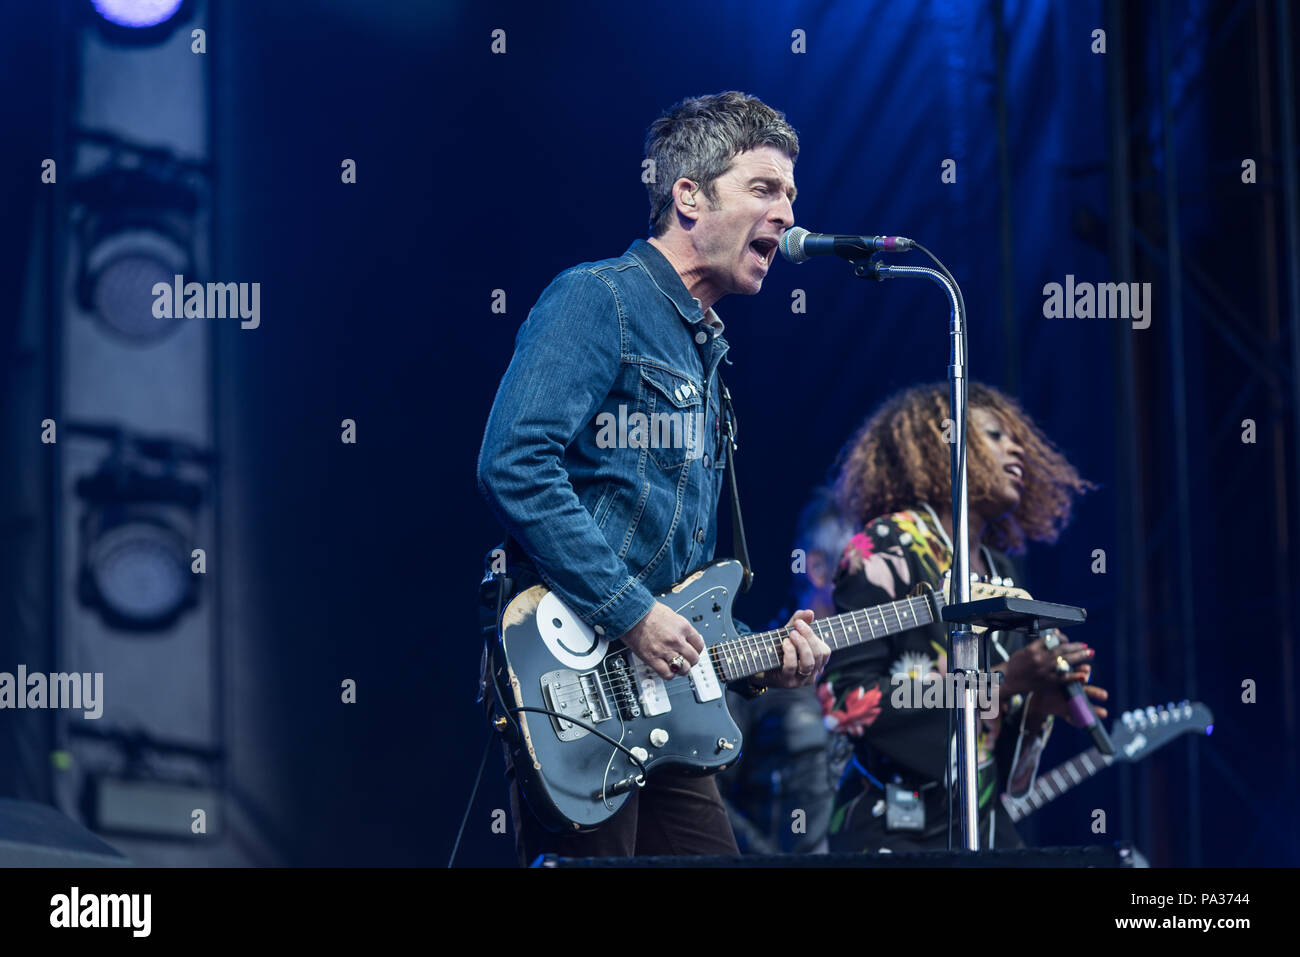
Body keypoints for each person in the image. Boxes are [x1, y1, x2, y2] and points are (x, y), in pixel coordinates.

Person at [477, 92, 831, 865]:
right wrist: (631, 610)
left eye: (792, 196)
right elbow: (514, 463)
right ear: (690, 197)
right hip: (575, 686)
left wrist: (759, 655)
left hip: (663, 705)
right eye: (765, 189)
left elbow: (689, 581)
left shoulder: (703, 351)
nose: (786, 214)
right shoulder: (598, 297)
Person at [817, 381, 1108, 852]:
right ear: (943, 444)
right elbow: (847, 700)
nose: (1015, 447)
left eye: (1016, 438)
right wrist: (1002, 681)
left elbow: (1000, 760)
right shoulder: (886, 548)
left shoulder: (1001, 572)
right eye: (995, 435)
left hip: (979, 820)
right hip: (893, 826)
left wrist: (1034, 712)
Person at [718, 487, 852, 853]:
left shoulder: (868, 674)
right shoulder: (750, 670)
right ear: (819, 569)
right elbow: (708, 795)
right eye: (859, 565)